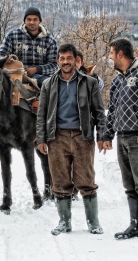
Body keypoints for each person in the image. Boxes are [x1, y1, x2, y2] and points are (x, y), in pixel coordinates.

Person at [36, 43, 105, 235]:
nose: (65, 62)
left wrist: (102, 135)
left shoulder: (89, 83)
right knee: (60, 180)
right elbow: (41, 114)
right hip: (57, 138)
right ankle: (64, 222)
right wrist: (41, 138)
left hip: (83, 137)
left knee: (86, 179)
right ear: (58, 60)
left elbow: (99, 111)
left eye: (69, 58)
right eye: (62, 58)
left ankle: (93, 222)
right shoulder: (48, 84)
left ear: (76, 60)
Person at [103, 39, 138, 239]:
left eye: (111, 53)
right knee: (129, 184)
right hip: (122, 138)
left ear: (120, 54)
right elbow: (113, 110)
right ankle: (134, 223)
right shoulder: (117, 80)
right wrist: (108, 135)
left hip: (136, 137)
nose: (109, 57)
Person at [0, 7, 58, 88]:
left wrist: (37, 69)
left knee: (52, 85)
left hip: (39, 77)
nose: (32, 22)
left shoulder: (49, 40)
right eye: (29, 19)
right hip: (14, 74)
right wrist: (5, 60)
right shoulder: (12, 35)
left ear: (40, 21)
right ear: (24, 21)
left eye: (35, 19)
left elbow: (54, 65)